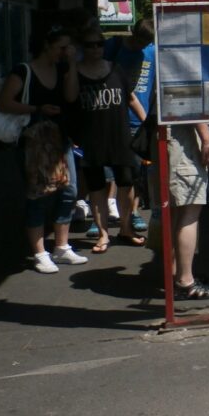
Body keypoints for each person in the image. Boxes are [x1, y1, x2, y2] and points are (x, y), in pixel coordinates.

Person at [0, 25, 88, 274]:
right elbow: (4, 102)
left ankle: (61, 246)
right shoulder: (23, 71)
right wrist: (37, 109)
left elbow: (70, 97)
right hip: (32, 139)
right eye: (62, 47)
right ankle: (39, 252)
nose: (66, 51)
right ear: (47, 45)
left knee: (69, 190)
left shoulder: (61, 68)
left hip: (59, 138)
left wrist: (71, 67)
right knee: (37, 194)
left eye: (69, 48)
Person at [65, 27, 146, 253]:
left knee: (126, 183)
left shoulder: (115, 69)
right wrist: (72, 64)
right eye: (89, 45)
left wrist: (147, 124)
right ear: (82, 48)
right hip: (90, 139)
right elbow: (70, 97)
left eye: (99, 44)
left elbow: (131, 99)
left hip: (119, 137)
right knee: (97, 188)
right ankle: (103, 234)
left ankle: (126, 228)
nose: (95, 49)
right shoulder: (76, 72)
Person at [151, 120, 209, 300]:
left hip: (170, 136)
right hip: (182, 139)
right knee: (189, 211)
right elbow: (188, 98)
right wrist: (206, 138)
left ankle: (177, 275)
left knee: (177, 211)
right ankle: (185, 282)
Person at [104, 18, 155, 231]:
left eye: (146, 43)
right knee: (109, 169)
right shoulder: (114, 47)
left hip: (138, 117)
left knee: (136, 172)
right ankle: (109, 210)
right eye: (140, 42)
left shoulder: (153, 52)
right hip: (112, 117)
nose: (142, 47)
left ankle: (133, 212)